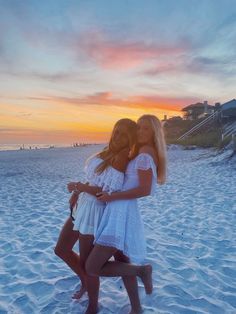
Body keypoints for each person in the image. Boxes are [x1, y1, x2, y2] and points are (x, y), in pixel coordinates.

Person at [84, 114, 167, 314]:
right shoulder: (141, 152)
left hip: (120, 211)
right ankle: (136, 307)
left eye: (145, 129)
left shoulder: (146, 154)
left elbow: (145, 190)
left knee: (93, 267)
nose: (140, 132)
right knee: (122, 261)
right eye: (138, 128)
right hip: (120, 209)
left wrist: (113, 196)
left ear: (154, 133)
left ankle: (142, 271)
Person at [54, 118, 137, 301]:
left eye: (124, 134)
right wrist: (78, 190)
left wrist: (80, 187)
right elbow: (96, 181)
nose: (118, 136)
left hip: (96, 211)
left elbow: (106, 191)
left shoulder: (122, 155)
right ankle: (84, 281)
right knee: (61, 249)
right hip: (83, 205)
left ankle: (92, 304)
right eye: (117, 131)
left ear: (131, 138)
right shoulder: (108, 152)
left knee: (89, 262)